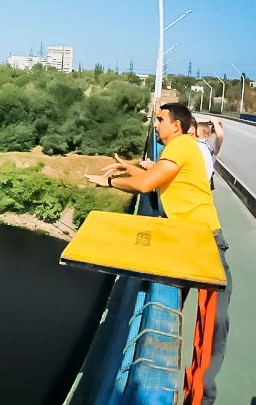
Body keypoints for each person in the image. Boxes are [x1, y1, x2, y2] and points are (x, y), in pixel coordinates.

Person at [86, 102, 230, 404]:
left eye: (160, 119)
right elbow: (156, 176)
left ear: (176, 125)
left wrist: (111, 181)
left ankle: (203, 398)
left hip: (205, 244)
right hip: (190, 242)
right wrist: (131, 168)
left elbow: (146, 185)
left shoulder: (180, 145)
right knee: (210, 327)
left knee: (214, 328)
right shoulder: (177, 149)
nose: (156, 125)